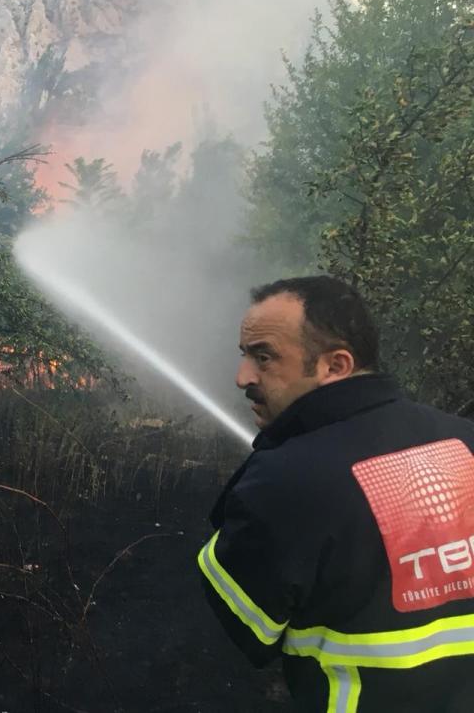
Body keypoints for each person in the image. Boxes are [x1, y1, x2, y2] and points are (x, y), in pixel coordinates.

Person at [199, 276, 474, 712]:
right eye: (244, 355)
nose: (242, 377)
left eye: (263, 357)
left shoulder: (284, 480)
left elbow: (250, 627)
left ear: (336, 366)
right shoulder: (464, 438)